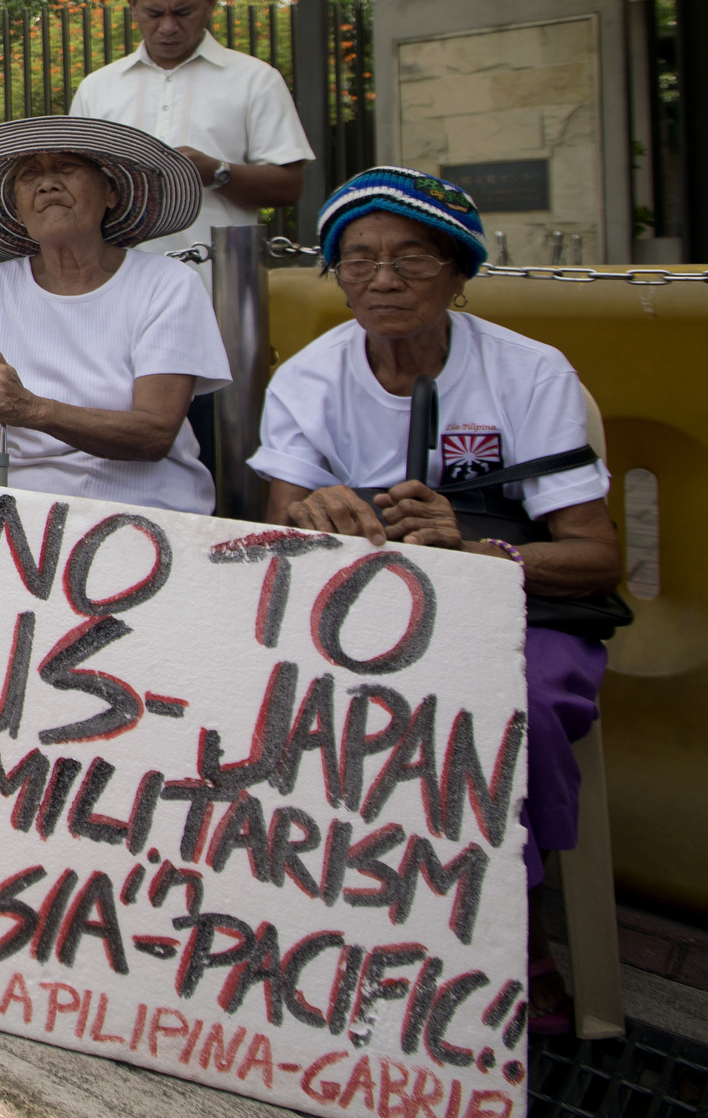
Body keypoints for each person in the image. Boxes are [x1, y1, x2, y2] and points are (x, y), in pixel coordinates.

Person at [248, 168, 620, 1035]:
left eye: (413, 258)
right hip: (370, 602)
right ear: (337, 273)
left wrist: (484, 555)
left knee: (505, 701)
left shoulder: (530, 373)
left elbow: (598, 554)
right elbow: (281, 528)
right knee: (269, 687)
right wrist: (318, 513)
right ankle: (331, 912)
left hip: (518, 598)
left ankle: (513, 936)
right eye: (360, 259)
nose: (383, 279)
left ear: (458, 273)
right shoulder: (311, 377)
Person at [0, 116, 230, 513]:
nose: (47, 184)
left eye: (67, 168)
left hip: (144, 513)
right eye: (29, 174)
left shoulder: (167, 283)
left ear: (111, 193)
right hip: (21, 514)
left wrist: (31, 408)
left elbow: (154, 434)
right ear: (17, 207)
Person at [68, 0, 312, 454]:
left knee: (221, 441)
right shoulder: (99, 88)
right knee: (117, 434)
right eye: (154, 13)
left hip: (217, 296)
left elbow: (289, 185)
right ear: (133, 4)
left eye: (184, 12)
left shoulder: (253, 81)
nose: (168, 26)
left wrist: (216, 172)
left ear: (211, 3)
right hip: (117, 297)